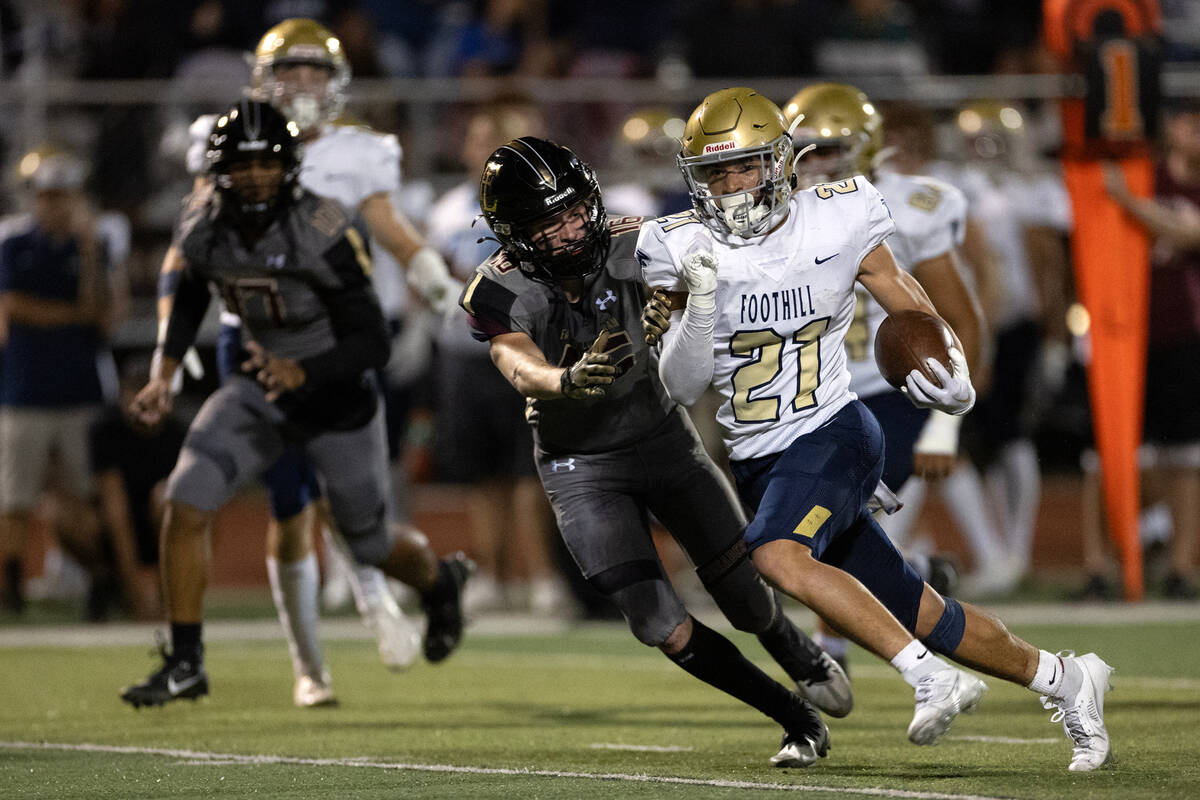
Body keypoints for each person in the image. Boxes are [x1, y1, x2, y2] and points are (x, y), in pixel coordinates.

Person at [637, 87, 1114, 772]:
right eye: (713, 172)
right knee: (923, 612)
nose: (729, 184)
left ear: (779, 163)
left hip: (836, 430)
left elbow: (905, 298)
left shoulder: (837, 216)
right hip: (760, 457)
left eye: (742, 166)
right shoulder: (681, 244)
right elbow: (680, 387)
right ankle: (1066, 679)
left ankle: (928, 677)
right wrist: (701, 304)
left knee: (773, 553)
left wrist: (951, 371)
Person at [465, 136, 854, 767]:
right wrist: (561, 380)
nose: (567, 232)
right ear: (513, 234)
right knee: (656, 623)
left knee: (748, 599)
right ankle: (792, 715)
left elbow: (723, 280)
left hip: (665, 440)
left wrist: (677, 307)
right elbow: (513, 358)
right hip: (581, 465)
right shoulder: (496, 288)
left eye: (571, 213)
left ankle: (789, 643)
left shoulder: (644, 238)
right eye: (546, 223)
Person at [119, 99, 472, 709]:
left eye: (266, 163)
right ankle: (185, 661)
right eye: (242, 163)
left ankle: (441, 582)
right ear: (219, 167)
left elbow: (373, 342)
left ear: (289, 166)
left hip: (335, 398)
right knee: (184, 498)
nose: (254, 176)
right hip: (258, 388)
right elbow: (191, 295)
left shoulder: (322, 227)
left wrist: (303, 367)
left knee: (367, 544)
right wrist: (164, 374)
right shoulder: (203, 223)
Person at [780, 83, 987, 668]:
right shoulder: (779, 209)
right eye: (805, 150)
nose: (814, 163)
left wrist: (946, 427)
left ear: (865, 146)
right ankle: (917, 574)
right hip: (809, 393)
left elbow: (953, 316)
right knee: (799, 529)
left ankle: (832, 648)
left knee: (821, 518)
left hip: (886, 390)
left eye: (829, 150)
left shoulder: (906, 204)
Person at [425, 101, 566, 614]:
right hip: (464, 353)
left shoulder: (542, 203)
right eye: (477, 140)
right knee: (481, 473)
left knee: (532, 469)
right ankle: (492, 573)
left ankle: (542, 576)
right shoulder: (445, 210)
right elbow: (433, 286)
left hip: (529, 347)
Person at [0, 145, 128, 617]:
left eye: (62, 195)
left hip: (78, 391)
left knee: (83, 498)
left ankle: (101, 580)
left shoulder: (93, 245)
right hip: (24, 390)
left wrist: (92, 256)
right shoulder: (15, 244)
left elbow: (104, 316)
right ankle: (11, 586)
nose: (54, 205)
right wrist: (73, 316)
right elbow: (15, 307)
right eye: (47, 195)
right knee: (14, 499)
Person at [1088, 102, 1200, 599]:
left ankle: (1180, 566)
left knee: (1182, 456)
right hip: (1119, 332)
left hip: (1179, 332)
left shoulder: (1143, 188)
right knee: (1104, 456)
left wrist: (1128, 203)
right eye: (1188, 122)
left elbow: (1188, 233)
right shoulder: (1139, 175)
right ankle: (1101, 566)